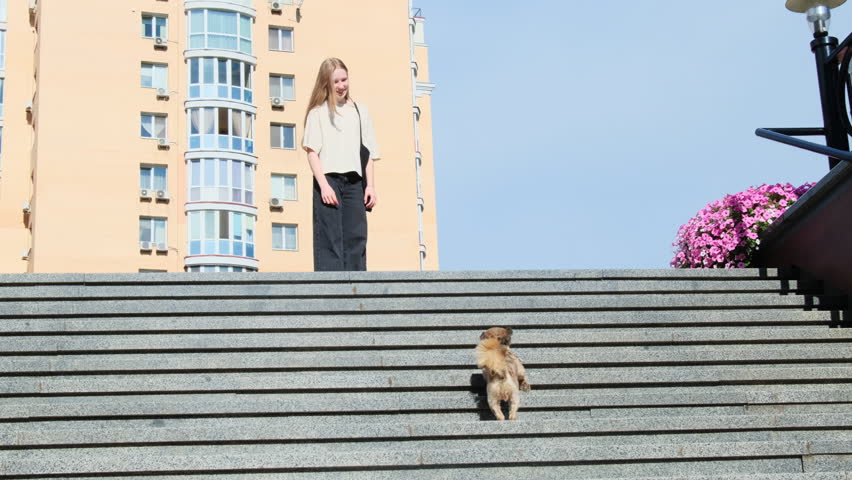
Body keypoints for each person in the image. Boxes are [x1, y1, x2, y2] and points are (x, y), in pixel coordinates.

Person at [302, 58, 380, 271]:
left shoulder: (360, 111)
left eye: (344, 80)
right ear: (326, 83)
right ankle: (331, 292)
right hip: (328, 180)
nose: (341, 86)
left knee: (357, 236)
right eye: (336, 81)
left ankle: (357, 289)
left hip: (355, 182)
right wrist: (324, 186)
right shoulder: (317, 113)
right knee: (329, 239)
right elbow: (312, 153)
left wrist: (370, 186)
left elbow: (368, 153)